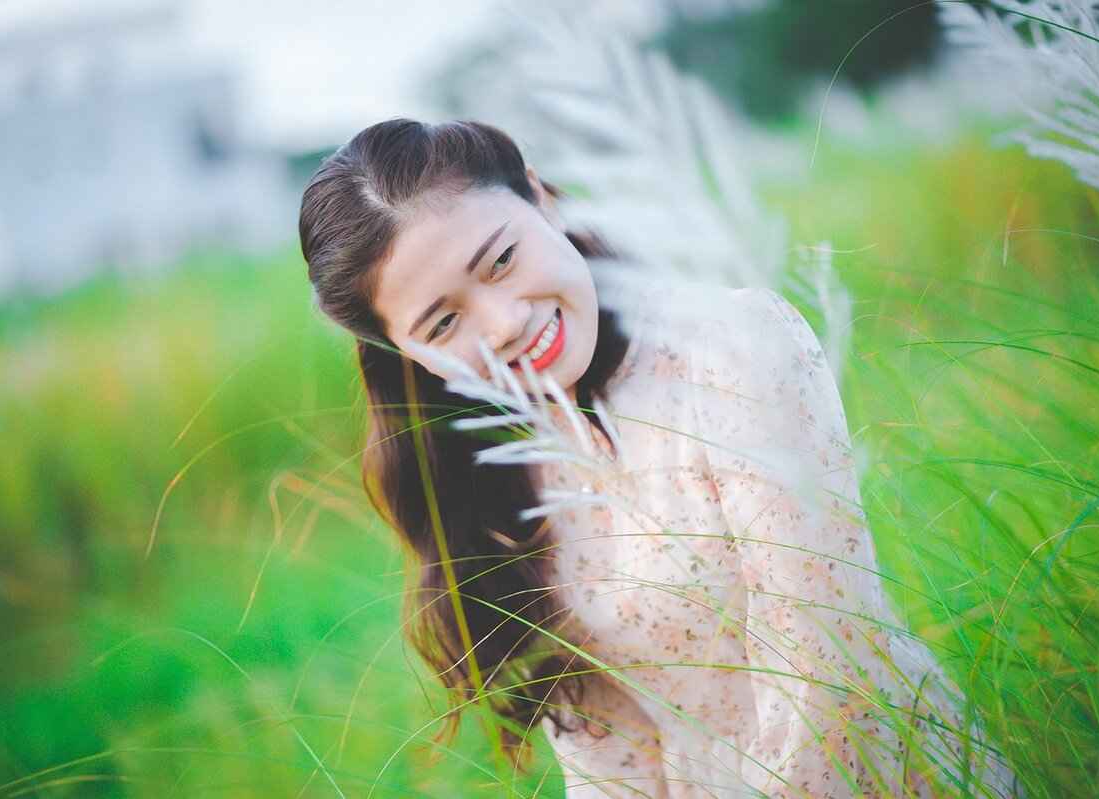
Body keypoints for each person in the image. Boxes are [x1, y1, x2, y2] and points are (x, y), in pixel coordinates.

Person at [297, 118, 1017, 798]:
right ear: (410, 355)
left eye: (503, 260)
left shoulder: (730, 348)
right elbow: (607, 758)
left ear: (541, 199)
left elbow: (825, 670)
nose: (506, 321)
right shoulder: (498, 480)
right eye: (446, 321)